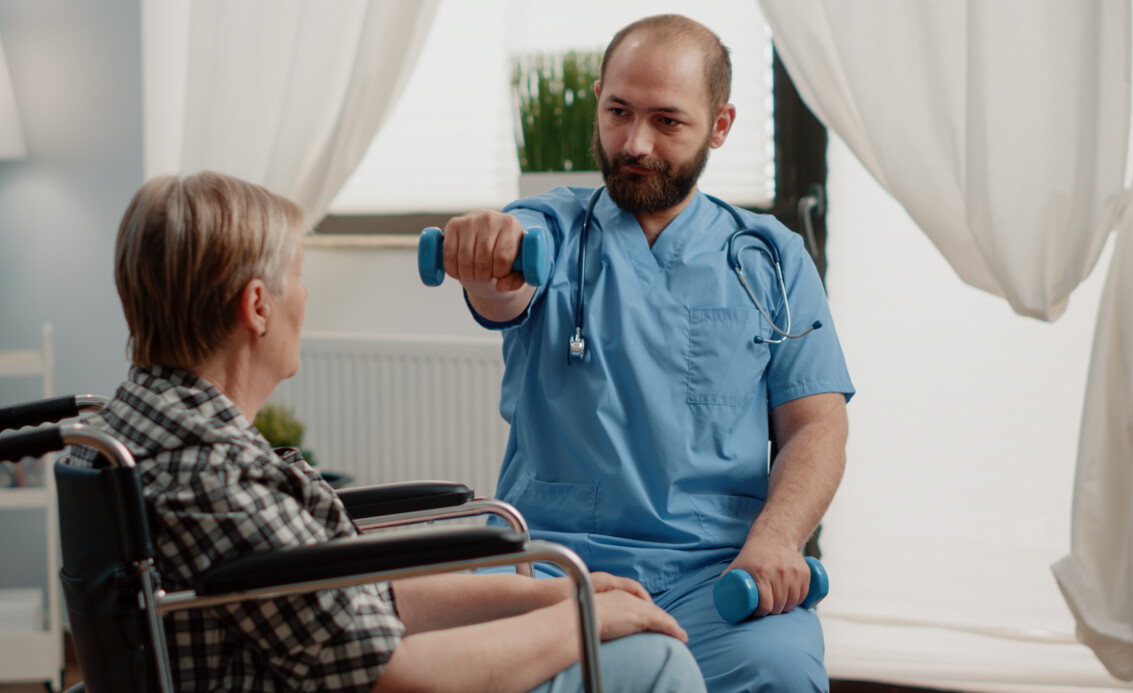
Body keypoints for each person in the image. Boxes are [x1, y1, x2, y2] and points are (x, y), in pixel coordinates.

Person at [65, 171, 705, 693]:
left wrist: (550, 596)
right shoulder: (212, 476)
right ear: (258, 306)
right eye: (299, 276)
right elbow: (396, 674)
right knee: (658, 663)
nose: (305, 298)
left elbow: (357, 595)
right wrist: (582, 622)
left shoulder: (141, 431)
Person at [440, 14, 853, 692]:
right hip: (554, 566)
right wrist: (490, 254)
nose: (634, 143)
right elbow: (504, 285)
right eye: (618, 112)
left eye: (667, 121)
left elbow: (815, 424)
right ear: (598, 100)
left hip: (716, 573)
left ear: (719, 126)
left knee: (778, 671)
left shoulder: (771, 257)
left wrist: (777, 540)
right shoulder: (550, 227)